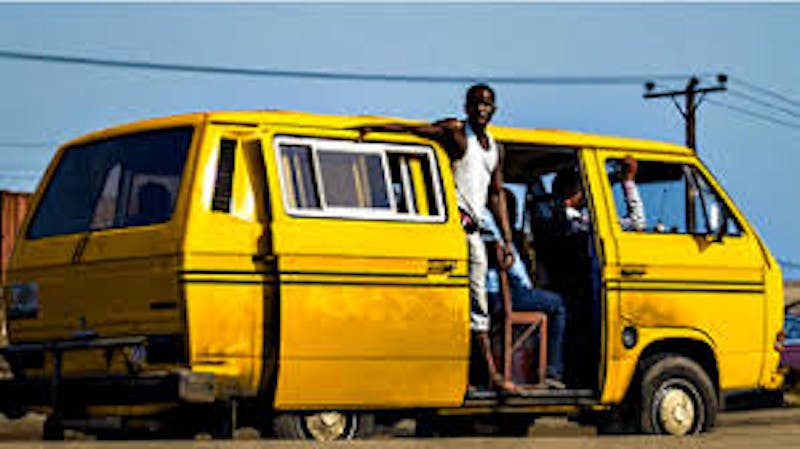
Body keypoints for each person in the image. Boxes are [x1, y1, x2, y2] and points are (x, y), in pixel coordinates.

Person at [357, 84, 517, 392]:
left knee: (480, 302)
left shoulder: (495, 147)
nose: (482, 110)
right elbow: (417, 130)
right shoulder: (457, 134)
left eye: (487, 105)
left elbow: (495, 195)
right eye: (476, 104)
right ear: (467, 107)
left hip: (477, 231)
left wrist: (508, 241)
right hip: (458, 229)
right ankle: (491, 377)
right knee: (474, 304)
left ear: (494, 109)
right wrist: (376, 127)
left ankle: (478, 373)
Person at [483, 199, 567, 389]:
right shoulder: (496, 230)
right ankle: (552, 371)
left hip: (485, 294)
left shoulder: (479, 221)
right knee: (557, 304)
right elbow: (516, 273)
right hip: (500, 294)